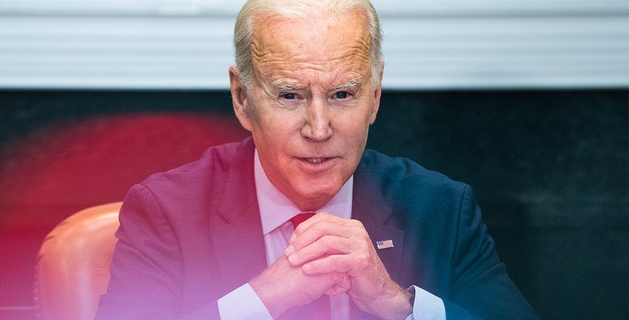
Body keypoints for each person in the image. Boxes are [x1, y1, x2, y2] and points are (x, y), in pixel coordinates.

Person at [96, 0, 539, 319]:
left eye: (342, 94)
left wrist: (396, 304)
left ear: (375, 96)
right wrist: (262, 299)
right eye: (289, 95)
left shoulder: (440, 209)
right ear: (243, 99)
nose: (319, 128)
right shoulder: (167, 211)